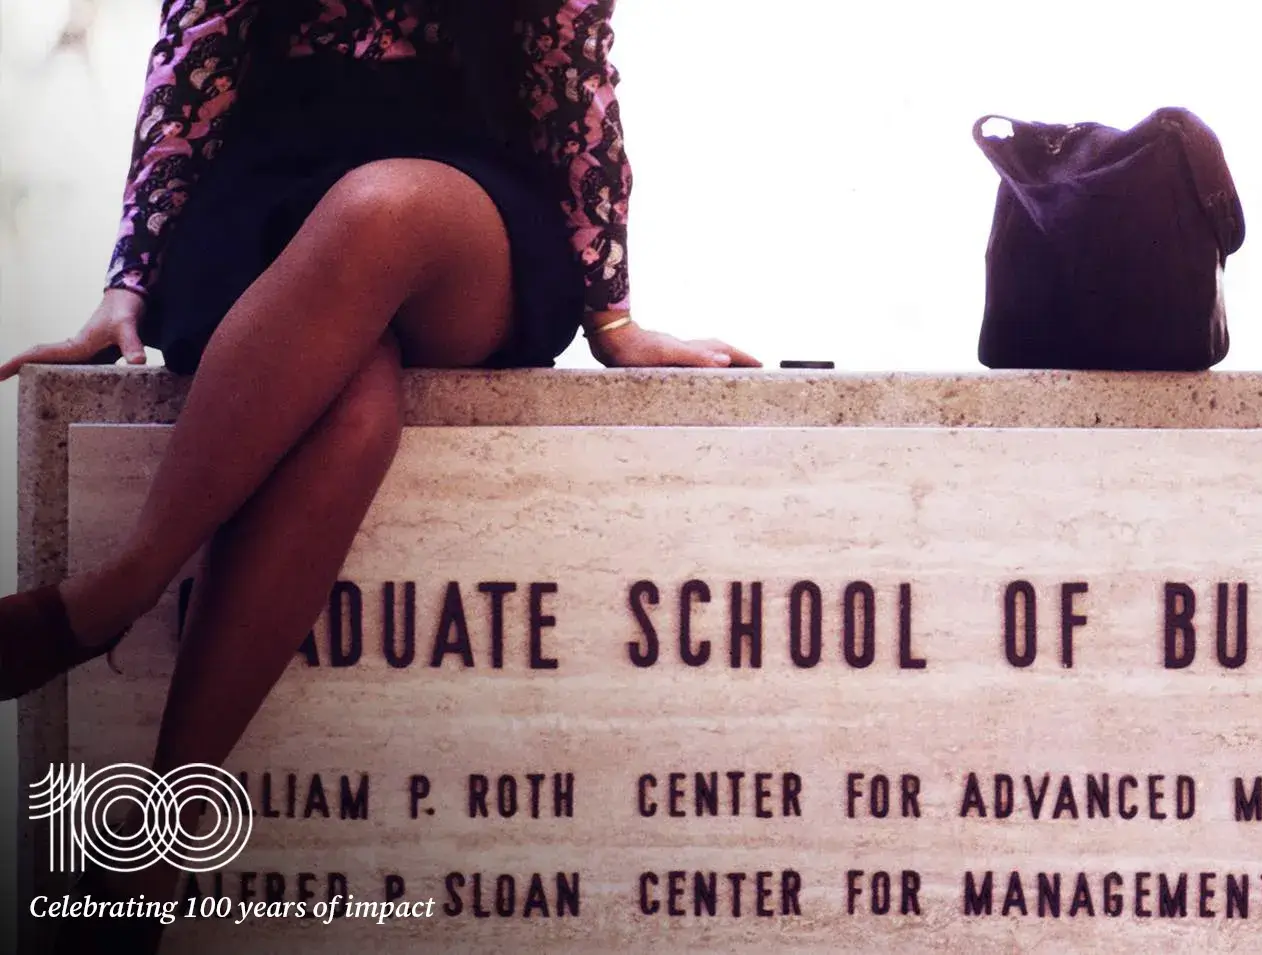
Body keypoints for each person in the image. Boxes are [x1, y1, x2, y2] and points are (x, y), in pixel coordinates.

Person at [0, 1, 756, 950]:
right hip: (268, 194)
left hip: (460, 205)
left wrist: (613, 318)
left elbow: (574, 74)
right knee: (354, 406)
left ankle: (114, 593)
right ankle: (151, 854)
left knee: (382, 208)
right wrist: (129, 282)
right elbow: (194, 50)